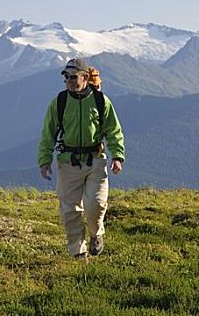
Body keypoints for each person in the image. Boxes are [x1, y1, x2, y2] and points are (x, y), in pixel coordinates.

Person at [37, 58, 125, 259]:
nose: (68, 80)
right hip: (68, 162)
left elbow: (114, 130)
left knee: (96, 205)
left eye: (73, 77)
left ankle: (96, 234)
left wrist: (117, 156)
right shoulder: (58, 102)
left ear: (85, 78)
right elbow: (47, 133)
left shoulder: (101, 101)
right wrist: (44, 160)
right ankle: (78, 253)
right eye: (66, 77)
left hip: (95, 160)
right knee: (70, 211)